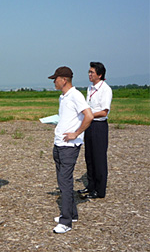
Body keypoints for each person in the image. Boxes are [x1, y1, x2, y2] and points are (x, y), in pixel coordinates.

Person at [48, 66, 93, 234]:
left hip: (69, 147)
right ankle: (72, 214)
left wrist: (76, 133)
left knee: (65, 183)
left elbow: (89, 116)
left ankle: (66, 222)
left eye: (56, 79)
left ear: (64, 79)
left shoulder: (75, 95)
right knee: (62, 181)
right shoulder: (63, 97)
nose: (54, 82)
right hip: (59, 143)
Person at [78, 62, 112, 199]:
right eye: (89, 71)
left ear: (100, 74)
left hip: (99, 126)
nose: (89, 74)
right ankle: (90, 186)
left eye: (92, 72)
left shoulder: (106, 90)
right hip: (90, 125)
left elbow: (104, 112)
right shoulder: (90, 88)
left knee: (99, 158)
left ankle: (99, 190)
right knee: (89, 157)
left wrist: (89, 115)